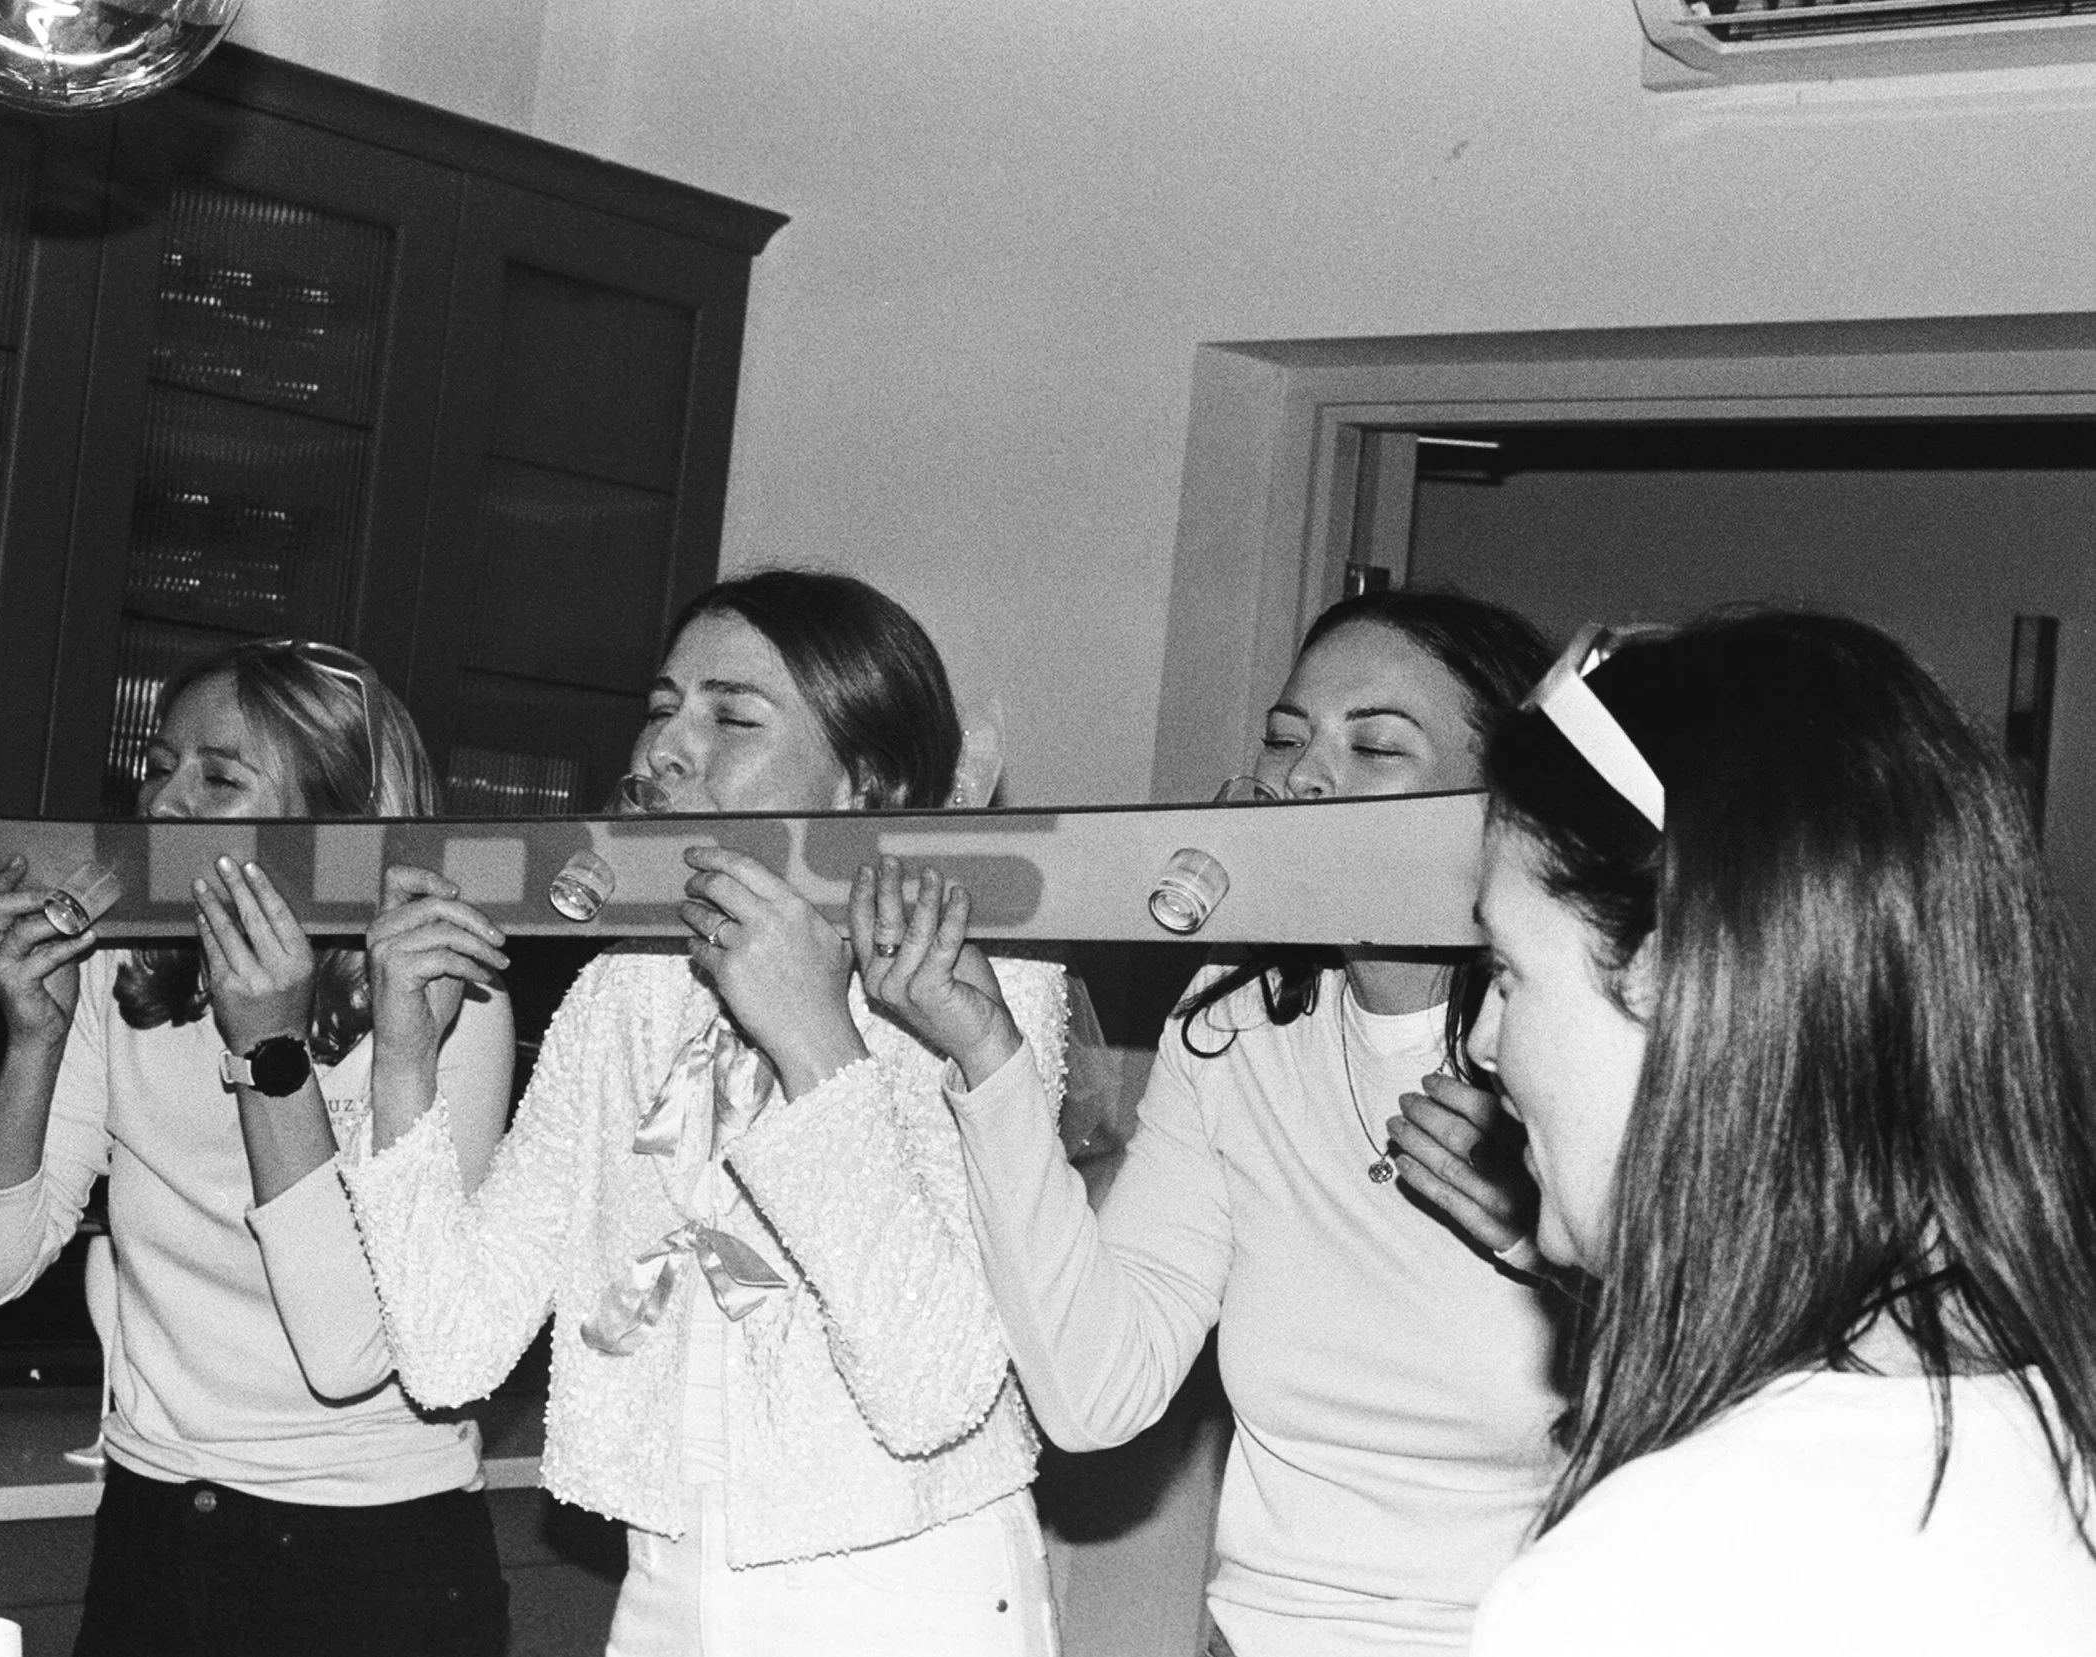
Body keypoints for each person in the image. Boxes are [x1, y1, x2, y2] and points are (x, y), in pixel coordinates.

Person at [341, 569, 1068, 1656]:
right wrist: (405, 1062)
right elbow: (450, 1354)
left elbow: (931, 1390)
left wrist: (817, 1041)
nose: (661, 752)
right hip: (671, 1594)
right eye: (660, 709)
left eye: (729, 717)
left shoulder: (974, 989)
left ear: (865, 783)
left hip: (912, 1598)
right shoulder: (622, 995)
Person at [852, 589, 1569, 1656]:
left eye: (1374, 745)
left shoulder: (1576, 1043)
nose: (1302, 777)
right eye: (1286, 739)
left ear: (1496, 804)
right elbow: (1096, 1392)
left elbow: (1731, 1403)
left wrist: (1549, 1246)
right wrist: (988, 1059)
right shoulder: (1233, 1016)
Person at [1463, 609, 2096, 1654]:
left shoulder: (1644, 1586)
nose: (1485, 1042)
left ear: (1670, 977)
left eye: (1504, 972)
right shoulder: (2049, 1451)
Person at [0, 638, 516, 1657]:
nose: (163, 806)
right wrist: (36, 1037)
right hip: (153, 1525)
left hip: (373, 1559)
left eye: (219, 777)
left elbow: (351, 1353)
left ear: (338, 819)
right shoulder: (123, 975)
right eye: (158, 766)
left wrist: (267, 1050)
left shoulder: (442, 999)